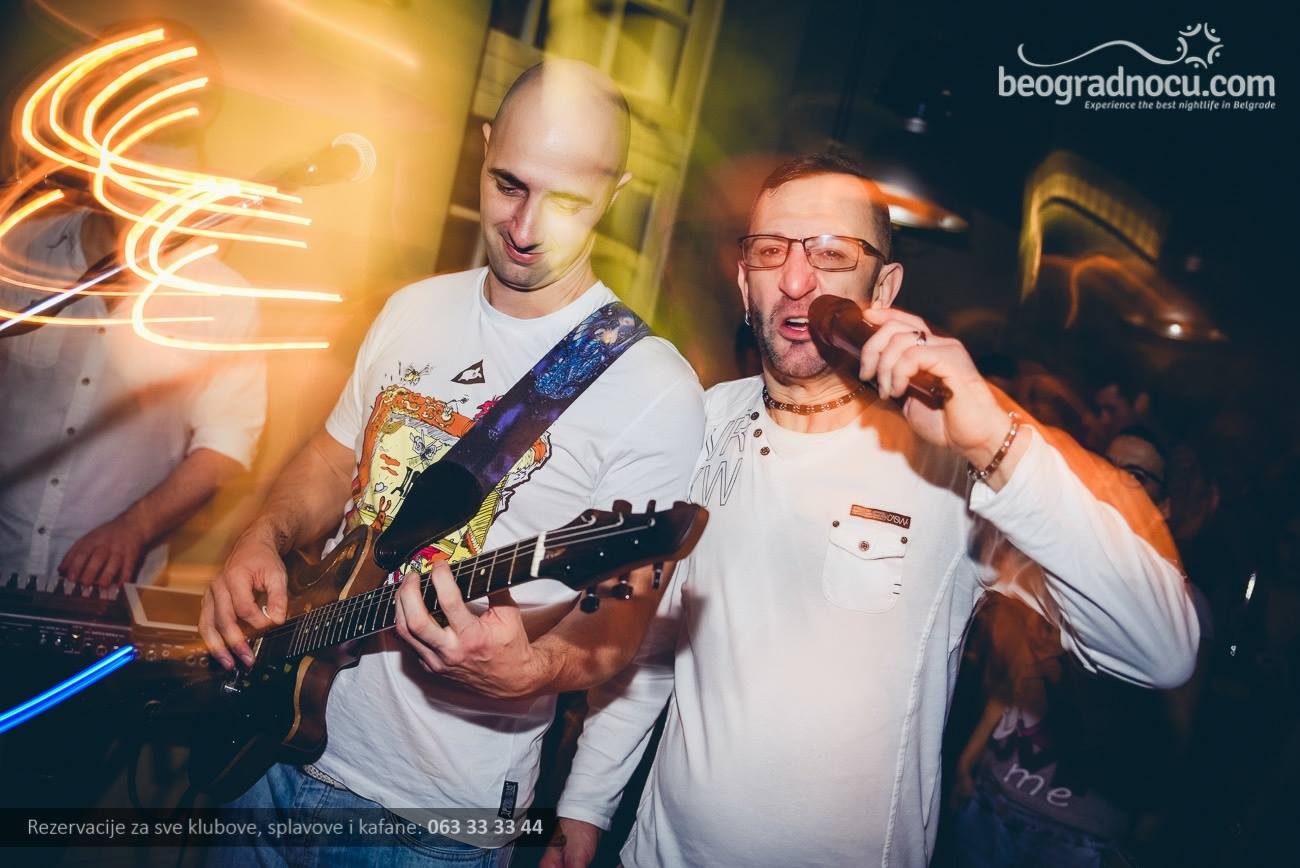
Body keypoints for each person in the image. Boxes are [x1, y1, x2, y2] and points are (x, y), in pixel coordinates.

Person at [544, 152, 1198, 868]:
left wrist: (995, 442)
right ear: (743, 278)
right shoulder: (699, 422)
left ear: (882, 287)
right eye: (771, 251)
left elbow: (1161, 649)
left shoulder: (951, 460)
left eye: (832, 253)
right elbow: (652, 643)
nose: (797, 282)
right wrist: (584, 807)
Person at [200, 60, 704, 866]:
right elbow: (333, 459)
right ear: (485, 144)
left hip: (433, 819)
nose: (526, 227)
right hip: (273, 744)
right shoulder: (414, 307)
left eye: (567, 202)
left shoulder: (650, 386)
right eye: (509, 184)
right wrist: (264, 531)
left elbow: (619, 629)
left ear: (615, 193)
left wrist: (532, 669)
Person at [0, 201, 265, 589]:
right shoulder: (18, 246)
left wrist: (137, 525)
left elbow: (227, 443)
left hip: (108, 588)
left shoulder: (223, 295)